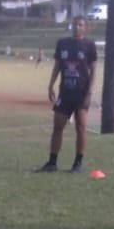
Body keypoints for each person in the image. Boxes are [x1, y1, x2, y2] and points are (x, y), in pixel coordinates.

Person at [35, 15, 97, 174]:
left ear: (85, 28)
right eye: (75, 24)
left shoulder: (89, 45)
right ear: (72, 26)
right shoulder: (62, 44)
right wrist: (50, 85)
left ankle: (77, 164)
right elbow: (56, 67)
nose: (77, 27)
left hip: (81, 93)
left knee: (81, 127)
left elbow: (94, 71)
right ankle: (52, 162)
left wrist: (90, 92)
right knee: (57, 126)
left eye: (80, 25)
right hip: (65, 92)